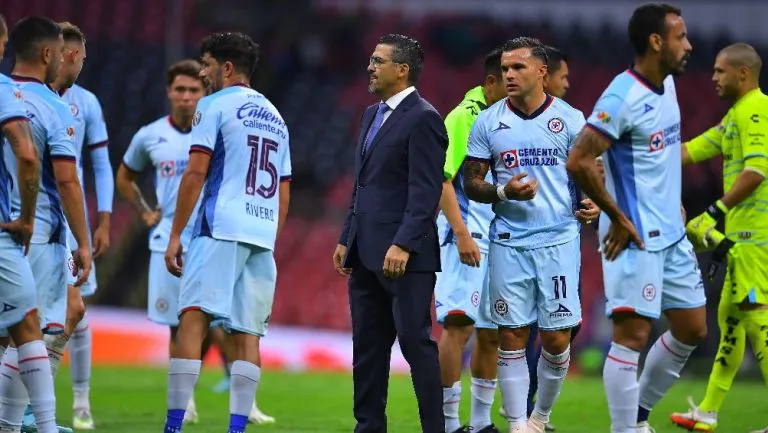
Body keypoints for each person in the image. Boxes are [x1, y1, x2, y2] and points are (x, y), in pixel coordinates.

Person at [565, 4, 707, 433]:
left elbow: (658, 157)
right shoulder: (621, 96)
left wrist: (674, 200)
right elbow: (579, 159)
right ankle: (626, 429)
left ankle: (639, 415)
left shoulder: (667, 86)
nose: (689, 45)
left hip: (671, 230)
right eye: (681, 37)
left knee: (692, 327)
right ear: (656, 41)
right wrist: (616, 216)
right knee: (631, 337)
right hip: (635, 234)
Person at [162, 32, 291, 433]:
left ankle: (173, 425)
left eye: (206, 64)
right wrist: (270, 235)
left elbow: (196, 171)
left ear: (227, 68)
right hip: (261, 234)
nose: (203, 72)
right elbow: (284, 190)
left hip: (220, 226)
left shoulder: (212, 104)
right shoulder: (277, 116)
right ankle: (237, 428)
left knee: (193, 319)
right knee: (248, 334)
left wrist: (175, 234)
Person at [463, 36, 586, 433]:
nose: (508, 75)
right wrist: (503, 191)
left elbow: (590, 176)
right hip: (509, 242)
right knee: (511, 333)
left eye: (518, 68)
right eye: (504, 69)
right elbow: (471, 183)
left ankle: (541, 417)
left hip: (559, 240)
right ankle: (518, 424)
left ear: (542, 72)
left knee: (556, 338)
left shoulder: (570, 120)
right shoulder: (488, 122)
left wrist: (593, 203)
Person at [332, 33, 446, 433]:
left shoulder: (424, 117)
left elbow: (426, 190)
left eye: (378, 61)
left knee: (416, 344)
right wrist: (348, 234)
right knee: (367, 348)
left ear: (402, 69)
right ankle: (368, 427)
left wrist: (403, 242)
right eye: (370, 59)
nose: (370, 67)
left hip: (405, 257)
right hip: (365, 250)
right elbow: (363, 183)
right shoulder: (370, 114)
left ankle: (435, 428)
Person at [0, 15, 92, 433]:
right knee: (27, 334)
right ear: (46, 54)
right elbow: (68, 181)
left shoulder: (3, 92)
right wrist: (84, 245)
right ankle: (31, 426)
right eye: (60, 53)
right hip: (33, 234)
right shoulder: (53, 107)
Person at [669, 43, 768, 433]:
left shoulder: (757, 110)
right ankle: (707, 411)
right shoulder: (734, 117)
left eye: (720, 71)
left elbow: (758, 171)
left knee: (757, 318)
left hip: (756, 238)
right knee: (731, 320)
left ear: (742, 73)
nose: (712, 77)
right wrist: (622, 156)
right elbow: (689, 151)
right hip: (742, 238)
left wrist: (715, 211)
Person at [117, 59, 205, 426]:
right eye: (180, 90)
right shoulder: (150, 135)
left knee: (212, 323)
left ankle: (236, 400)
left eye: (194, 90)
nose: (186, 97)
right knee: (176, 324)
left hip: (208, 235)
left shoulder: (214, 133)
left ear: (204, 93)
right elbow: (125, 176)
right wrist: (144, 211)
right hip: (168, 237)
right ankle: (185, 400)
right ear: (169, 92)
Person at [42, 21, 111, 430]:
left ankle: (77, 403)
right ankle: (29, 410)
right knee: (57, 313)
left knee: (73, 311)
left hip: (69, 221)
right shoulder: (37, 100)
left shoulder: (86, 103)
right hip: (48, 220)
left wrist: (102, 221)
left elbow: (99, 163)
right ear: (68, 54)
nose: (83, 64)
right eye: (82, 57)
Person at [434, 48, 506, 433]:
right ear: (490, 81)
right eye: (505, 79)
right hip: (465, 236)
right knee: (458, 325)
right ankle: (447, 424)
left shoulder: (504, 122)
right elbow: (442, 178)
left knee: (492, 333)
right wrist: (461, 233)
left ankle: (480, 424)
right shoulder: (466, 116)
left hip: (498, 239)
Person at [0, 13, 62, 433]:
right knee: (26, 327)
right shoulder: (4, 92)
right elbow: (26, 155)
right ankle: (45, 427)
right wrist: (24, 217)